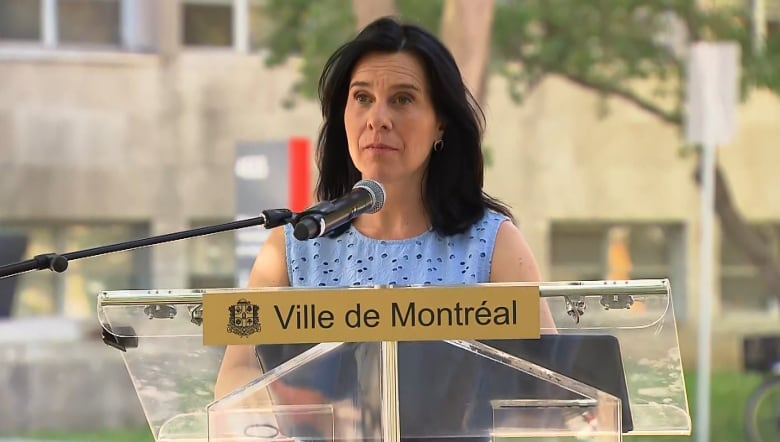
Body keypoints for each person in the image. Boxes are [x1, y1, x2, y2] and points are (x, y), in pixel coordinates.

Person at [215, 15, 556, 439]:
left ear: (441, 124)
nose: (378, 118)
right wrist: (304, 412)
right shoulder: (293, 246)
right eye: (362, 98)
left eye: (402, 99)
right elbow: (236, 380)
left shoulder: (494, 244)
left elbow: (549, 394)